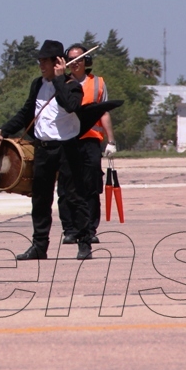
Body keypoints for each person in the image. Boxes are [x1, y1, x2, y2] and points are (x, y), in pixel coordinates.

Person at [0, 39, 93, 261]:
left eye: (45, 61)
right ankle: (39, 246)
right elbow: (26, 112)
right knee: (40, 199)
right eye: (40, 61)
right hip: (44, 148)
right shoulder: (37, 85)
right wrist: (3, 131)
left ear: (58, 62)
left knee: (74, 197)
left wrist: (58, 78)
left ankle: (84, 242)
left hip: (67, 148)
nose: (41, 65)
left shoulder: (72, 84)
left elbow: (70, 105)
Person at [57, 44, 117, 245]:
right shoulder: (61, 83)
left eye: (79, 59)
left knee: (91, 187)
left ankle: (90, 229)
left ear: (86, 62)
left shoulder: (98, 83)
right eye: (71, 60)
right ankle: (70, 229)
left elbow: (104, 112)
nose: (75, 64)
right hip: (67, 141)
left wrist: (111, 141)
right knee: (66, 187)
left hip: (90, 141)